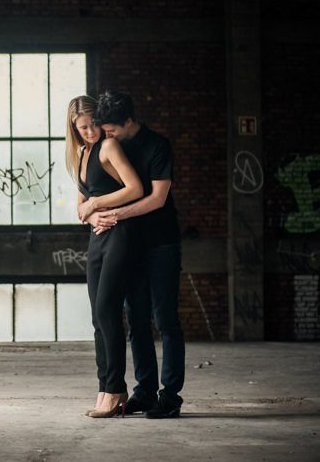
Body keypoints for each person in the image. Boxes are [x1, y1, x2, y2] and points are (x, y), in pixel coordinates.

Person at [87, 91, 185, 419]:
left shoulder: (157, 145)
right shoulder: (112, 146)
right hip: (129, 246)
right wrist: (91, 212)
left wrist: (115, 214)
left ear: (129, 121)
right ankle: (144, 391)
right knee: (137, 321)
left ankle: (169, 396)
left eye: (112, 129)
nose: (107, 134)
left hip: (161, 243)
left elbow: (157, 198)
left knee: (166, 319)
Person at [65, 95, 143, 418]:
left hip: (119, 235)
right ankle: (105, 388)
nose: (90, 132)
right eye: (83, 128)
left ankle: (115, 389)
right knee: (98, 317)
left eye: (93, 124)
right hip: (96, 238)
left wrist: (97, 206)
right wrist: (89, 213)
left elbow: (135, 188)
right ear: (74, 128)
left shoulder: (109, 148)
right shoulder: (81, 154)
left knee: (108, 311)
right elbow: (80, 205)